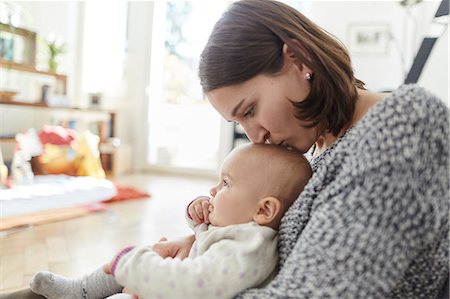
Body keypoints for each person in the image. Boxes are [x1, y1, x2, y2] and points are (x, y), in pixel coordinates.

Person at [25, 143, 312, 299]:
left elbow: (199, 284)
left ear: (264, 211)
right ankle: (79, 291)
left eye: (225, 184)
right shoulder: (239, 227)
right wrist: (196, 212)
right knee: (131, 262)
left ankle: (84, 291)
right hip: (176, 280)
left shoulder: (246, 248)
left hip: (181, 288)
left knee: (130, 263)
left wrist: (137, 266)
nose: (213, 191)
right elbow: (203, 233)